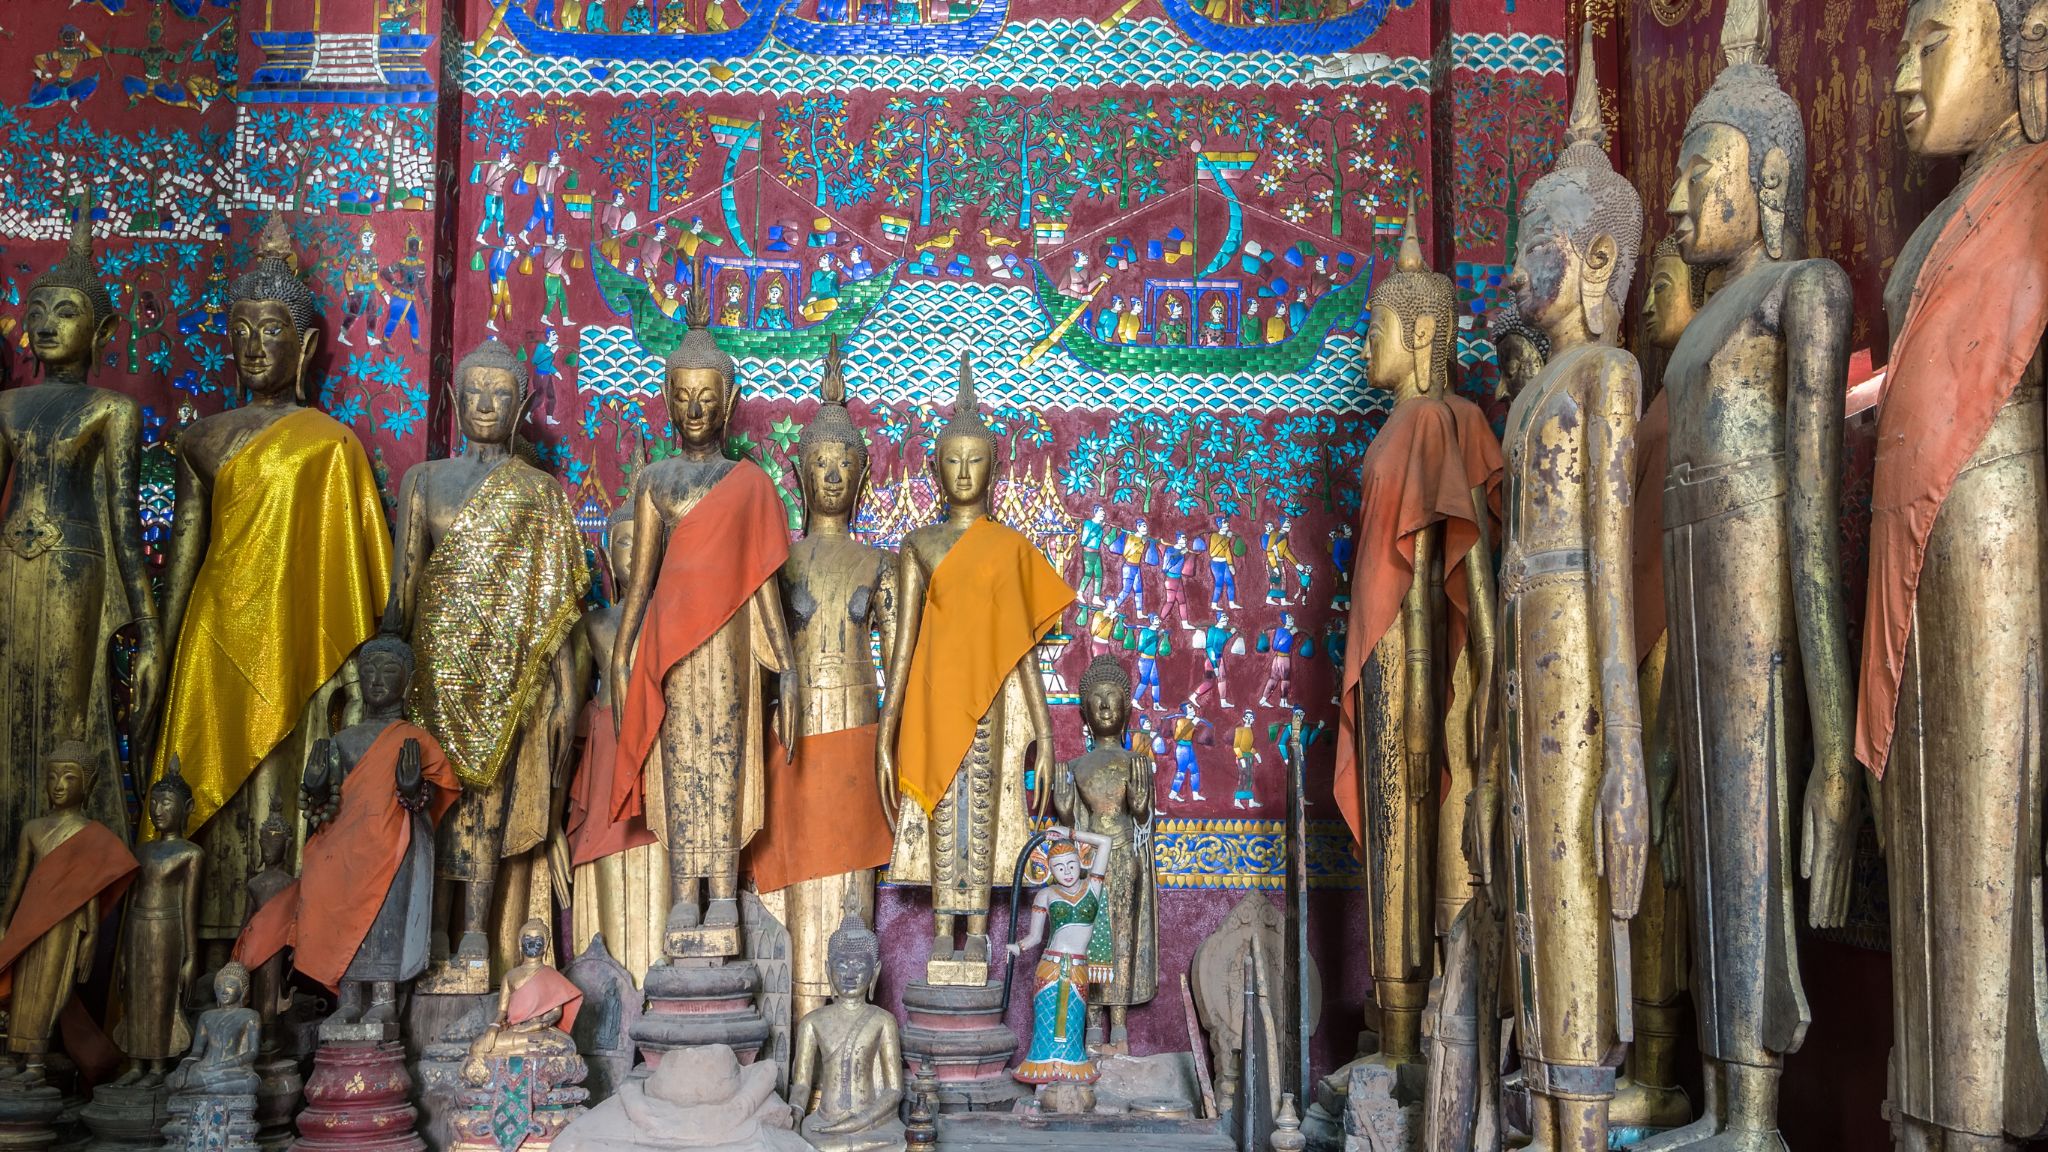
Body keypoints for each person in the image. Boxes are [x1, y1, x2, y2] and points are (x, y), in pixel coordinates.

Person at [1008, 832, 1112, 1087]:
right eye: (1059, 867)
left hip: (1077, 969)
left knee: (1072, 1027)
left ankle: (1071, 1080)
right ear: (1050, 870)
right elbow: (1034, 937)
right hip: (1050, 968)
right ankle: (1042, 1084)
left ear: (1081, 863)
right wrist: (1017, 947)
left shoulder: (1093, 887)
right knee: (1046, 1028)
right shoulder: (1045, 895)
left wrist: (1069, 833)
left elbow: (1106, 843)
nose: (1066, 872)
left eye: (1071, 864)